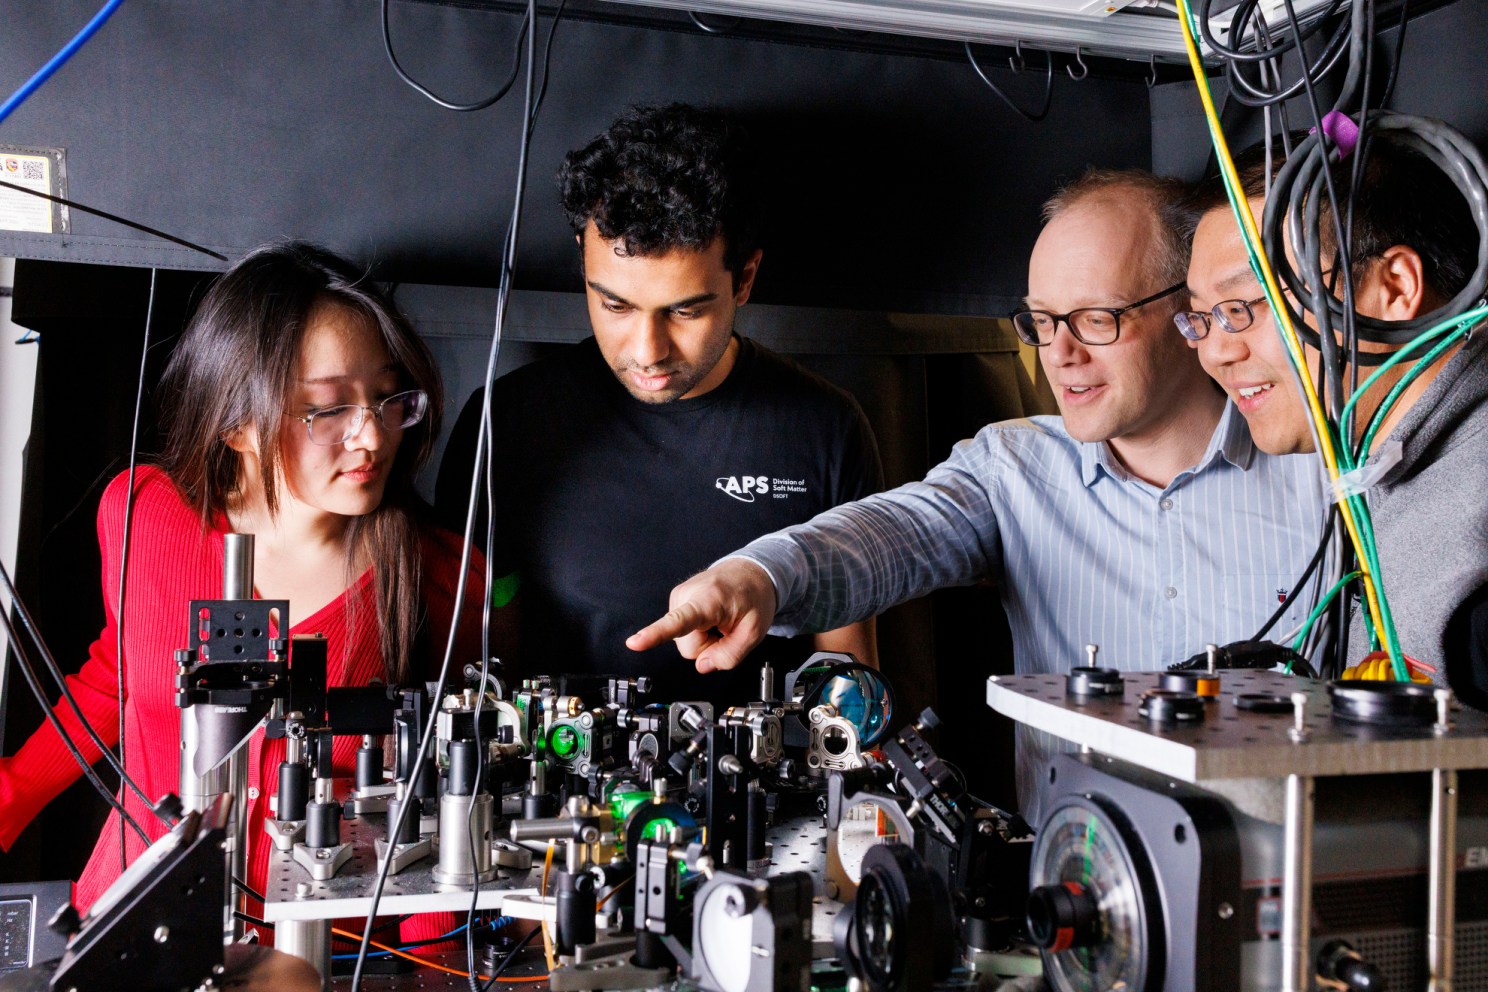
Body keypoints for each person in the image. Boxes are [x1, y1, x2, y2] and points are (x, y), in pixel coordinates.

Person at [628, 168, 1328, 816]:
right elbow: (890, 536)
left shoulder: (1326, 481)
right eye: (1043, 322)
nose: (1061, 353)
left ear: (1189, 316)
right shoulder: (1014, 468)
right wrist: (759, 576)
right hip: (1079, 907)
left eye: (1096, 319)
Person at [0, 242, 485, 919]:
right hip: (126, 920)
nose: (372, 437)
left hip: (318, 958)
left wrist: (423, 967)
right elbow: (113, 683)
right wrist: (7, 800)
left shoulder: (442, 572)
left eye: (387, 399)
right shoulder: (142, 511)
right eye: (329, 410)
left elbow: (445, 794)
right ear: (235, 423)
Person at [435, 104, 882, 707]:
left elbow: (848, 684)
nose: (647, 351)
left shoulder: (827, 429)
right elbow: (474, 676)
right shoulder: (508, 422)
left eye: (685, 311)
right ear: (583, 261)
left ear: (744, 278)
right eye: (615, 306)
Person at [1180, 132, 1486, 705]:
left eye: (1245, 307)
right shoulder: (1377, 466)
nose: (1216, 351)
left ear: (1393, 287)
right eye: (1201, 319)